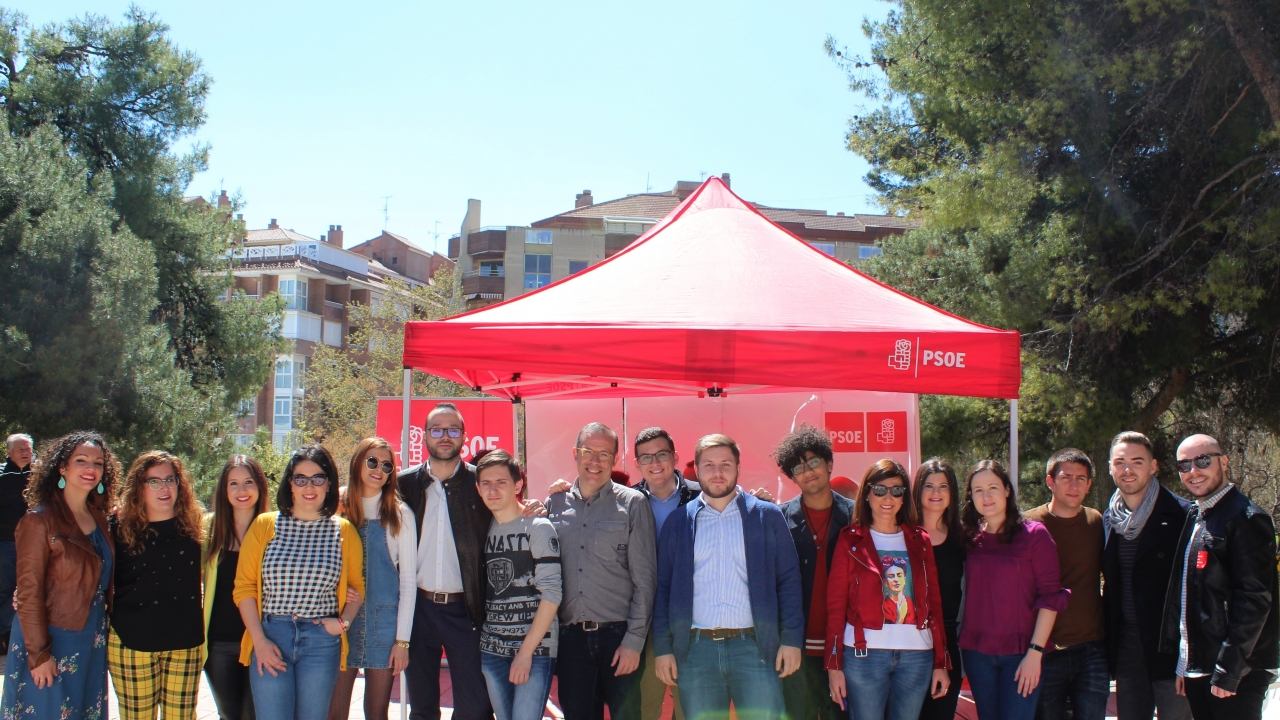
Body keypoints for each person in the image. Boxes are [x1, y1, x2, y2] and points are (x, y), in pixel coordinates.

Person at [396, 403, 545, 720]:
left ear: (464, 436)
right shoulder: (403, 484)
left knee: (474, 707)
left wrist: (537, 506)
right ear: (425, 436)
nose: (445, 436)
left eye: (453, 430)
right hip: (418, 609)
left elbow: (514, 509)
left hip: (468, 610)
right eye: (437, 430)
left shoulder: (481, 483)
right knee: (421, 706)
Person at [653, 434, 803, 720]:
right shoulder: (678, 522)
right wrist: (663, 649)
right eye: (709, 465)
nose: (717, 472)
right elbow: (663, 590)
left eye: (725, 464)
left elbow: (789, 582)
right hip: (696, 654)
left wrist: (791, 639)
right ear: (696, 470)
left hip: (756, 650)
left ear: (738, 467)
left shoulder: (767, 516)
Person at [234, 445, 365, 720]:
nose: (309, 486)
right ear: (290, 483)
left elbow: (358, 588)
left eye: (318, 478)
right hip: (272, 635)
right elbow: (244, 588)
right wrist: (259, 640)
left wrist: (343, 624)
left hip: (321, 640)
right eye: (300, 478)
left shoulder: (343, 531)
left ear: (329, 484)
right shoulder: (264, 525)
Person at [1, 431, 119, 720]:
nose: (91, 469)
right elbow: (28, 592)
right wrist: (39, 654)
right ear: (62, 467)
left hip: (91, 636)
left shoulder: (101, 519)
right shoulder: (39, 520)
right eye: (81, 461)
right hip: (51, 637)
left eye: (98, 463)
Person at [1160, 434, 1279, 720]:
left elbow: (1254, 601)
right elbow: (1190, 596)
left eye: (1202, 460)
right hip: (1201, 668)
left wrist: (1229, 670)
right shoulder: (1197, 515)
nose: (1193, 471)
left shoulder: (1247, 518)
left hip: (1236, 672)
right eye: (1184, 465)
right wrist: (1184, 664)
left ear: (1223, 461)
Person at [546, 422, 657, 720]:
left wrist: (634, 643)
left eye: (604, 454)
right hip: (570, 642)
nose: (595, 461)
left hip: (619, 638)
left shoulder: (633, 504)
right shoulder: (553, 504)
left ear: (615, 459)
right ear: (575, 453)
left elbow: (645, 580)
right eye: (588, 452)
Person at [825, 459, 949, 720]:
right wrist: (834, 665)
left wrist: (941, 662)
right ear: (867, 494)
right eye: (880, 489)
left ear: (905, 497)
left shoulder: (920, 539)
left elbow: (934, 602)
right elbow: (836, 606)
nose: (888, 497)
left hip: (917, 657)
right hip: (864, 655)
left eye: (897, 490)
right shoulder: (851, 539)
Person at [959, 460, 1069, 720]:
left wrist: (1035, 653)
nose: (986, 496)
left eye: (993, 488)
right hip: (977, 655)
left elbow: (1051, 597)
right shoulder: (968, 539)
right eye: (978, 490)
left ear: (1007, 490)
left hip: (1021, 655)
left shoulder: (1034, 535)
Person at [108, 450, 207, 720]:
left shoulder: (197, 526)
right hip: (131, 641)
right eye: (154, 481)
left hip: (185, 642)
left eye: (170, 479)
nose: (164, 487)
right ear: (139, 486)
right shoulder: (116, 527)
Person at [1101, 431, 1192, 720]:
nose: (1128, 470)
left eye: (1137, 461)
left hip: (1170, 646)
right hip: (1128, 645)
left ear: (1153, 466)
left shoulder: (1183, 515)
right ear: (1110, 468)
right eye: (1120, 462)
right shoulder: (1108, 519)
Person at [328, 439, 417, 720]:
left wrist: (402, 642)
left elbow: (408, 585)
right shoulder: (337, 506)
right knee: (334, 710)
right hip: (341, 621)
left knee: (377, 712)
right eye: (372, 461)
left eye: (387, 465)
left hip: (385, 625)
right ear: (357, 463)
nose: (379, 469)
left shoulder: (400, 514)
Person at [476, 450, 562, 720]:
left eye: (501, 482)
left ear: (517, 485)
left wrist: (525, 653)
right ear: (477, 488)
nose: (493, 490)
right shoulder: (481, 528)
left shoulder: (538, 527)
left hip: (535, 650)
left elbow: (552, 593)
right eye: (486, 483)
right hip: (492, 648)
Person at [1023, 449, 1108, 720]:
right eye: (1066, 477)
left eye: (1081, 479)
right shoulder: (1028, 525)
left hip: (1092, 648)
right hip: (1044, 650)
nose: (1074, 485)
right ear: (1050, 481)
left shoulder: (1096, 522)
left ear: (1089, 485)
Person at [774, 425, 851, 720]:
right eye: (798, 466)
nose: (808, 471)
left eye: (814, 461)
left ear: (829, 464)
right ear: (792, 476)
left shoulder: (856, 518)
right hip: (796, 650)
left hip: (843, 650)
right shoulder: (779, 518)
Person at [629, 427, 698, 720]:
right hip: (643, 622)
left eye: (661, 454)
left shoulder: (701, 495)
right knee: (646, 706)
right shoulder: (626, 501)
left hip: (692, 619)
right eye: (646, 457)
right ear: (636, 464)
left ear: (675, 457)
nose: (654, 463)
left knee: (691, 706)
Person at [203, 455, 271, 720]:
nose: (241, 490)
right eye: (233, 483)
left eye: (248, 482)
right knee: (229, 715)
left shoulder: (274, 529)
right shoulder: (207, 529)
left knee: (255, 715)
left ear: (260, 486)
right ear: (224, 489)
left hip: (261, 641)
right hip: (219, 642)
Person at [912, 458, 965, 720]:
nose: (935, 493)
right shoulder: (901, 534)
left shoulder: (964, 538)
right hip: (908, 639)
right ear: (917, 490)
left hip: (947, 640)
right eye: (929, 486)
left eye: (943, 486)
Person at [0, 432, 34, 651]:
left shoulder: (41, 475)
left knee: (29, 587)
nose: (25, 453)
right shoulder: (2, 475)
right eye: (20, 449)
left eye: (28, 449)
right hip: (6, 542)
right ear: (8, 452)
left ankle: (21, 633)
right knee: (6, 587)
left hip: (35, 542)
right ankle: (5, 633)